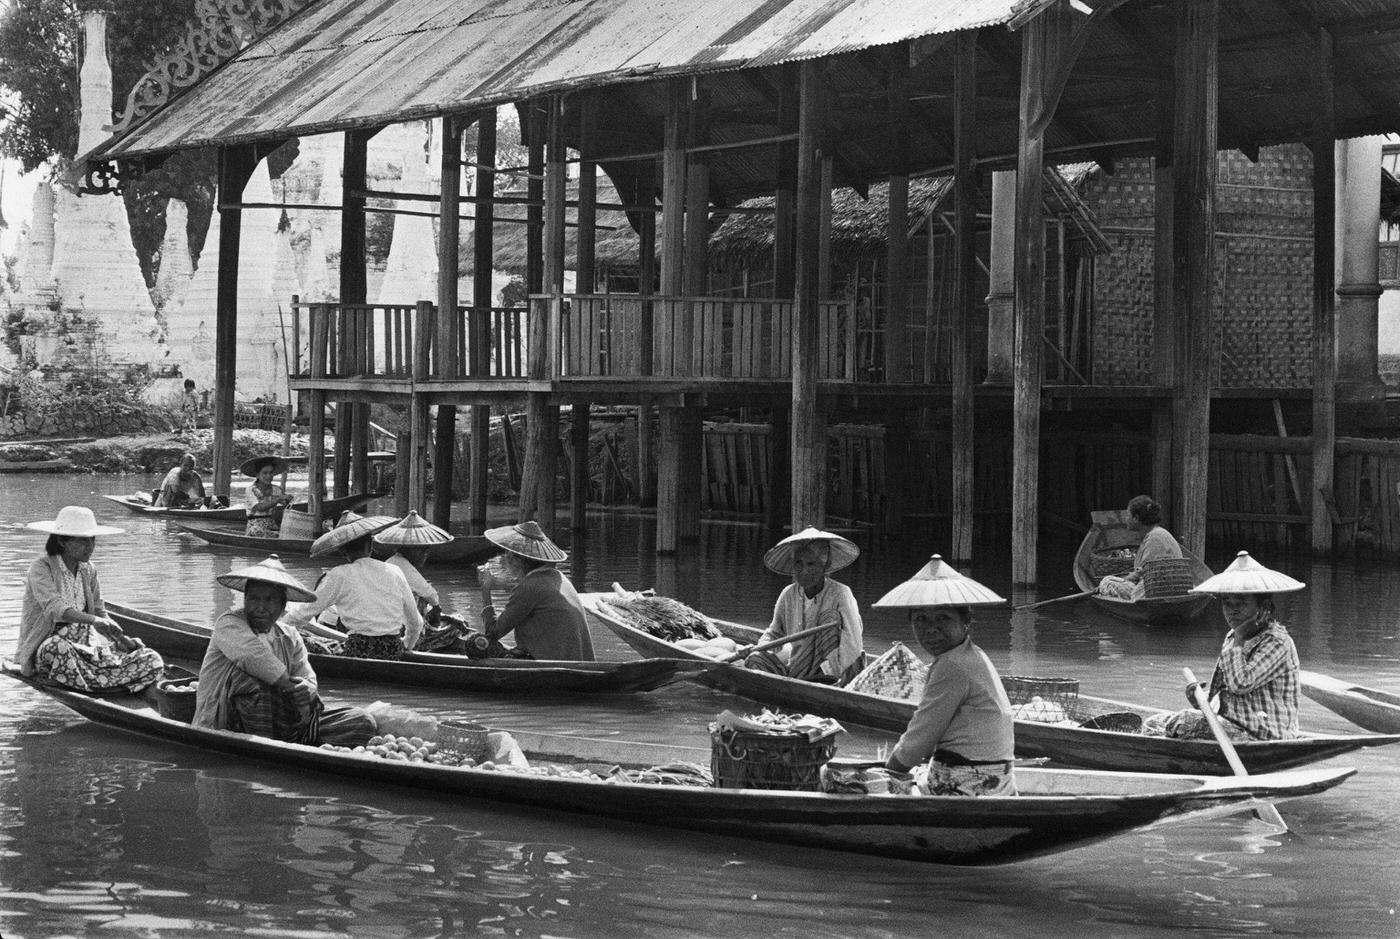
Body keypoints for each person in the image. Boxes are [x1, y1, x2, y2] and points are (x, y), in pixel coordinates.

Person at [194, 555, 375, 747]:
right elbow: (252, 657)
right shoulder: (229, 623)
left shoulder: (290, 636)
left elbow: (307, 677)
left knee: (361, 721)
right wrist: (289, 686)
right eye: (253, 599)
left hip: (284, 721)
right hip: (226, 722)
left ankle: (288, 744)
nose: (261, 608)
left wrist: (307, 689)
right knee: (250, 678)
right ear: (245, 600)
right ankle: (272, 748)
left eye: (270, 600)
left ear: (282, 607)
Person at [875, 555, 1016, 797]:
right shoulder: (971, 655)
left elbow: (919, 739)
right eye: (921, 619)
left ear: (966, 621)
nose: (931, 628)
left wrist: (888, 772)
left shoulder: (951, 666)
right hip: (996, 780)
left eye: (943, 618)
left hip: (969, 783)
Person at [1147, 550, 1304, 741]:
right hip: (1236, 724)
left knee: (1182, 721)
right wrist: (1199, 700)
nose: (1232, 611)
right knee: (1154, 722)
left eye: (1241, 603)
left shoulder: (1277, 642)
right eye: (1227, 603)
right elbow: (1225, 693)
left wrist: (1238, 641)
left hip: (1268, 732)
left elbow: (1240, 684)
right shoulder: (1233, 636)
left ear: (1264, 608)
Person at [16, 506, 165, 691]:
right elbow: (55, 608)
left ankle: (93, 682)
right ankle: (102, 682)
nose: (91, 547)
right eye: (84, 541)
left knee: (152, 659)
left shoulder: (88, 569)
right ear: (63, 541)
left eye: (92, 540)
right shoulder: (42, 567)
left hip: (87, 647)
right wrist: (94, 620)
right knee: (58, 648)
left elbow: (99, 609)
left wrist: (123, 639)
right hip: (52, 647)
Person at [283, 512, 422, 660]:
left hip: (357, 650)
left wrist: (276, 629)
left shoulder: (339, 574)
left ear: (343, 551)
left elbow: (303, 614)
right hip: (393, 650)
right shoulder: (395, 571)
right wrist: (406, 646)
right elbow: (416, 623)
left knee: (303, 638)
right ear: (370, 546)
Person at [744, 527, 864, 684]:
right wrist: (757, 648)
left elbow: (853, 642)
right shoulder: (788, 594)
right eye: (798, 564)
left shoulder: (840, 593)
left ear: (824, 566)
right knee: (755, 659)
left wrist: (838, 675)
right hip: (798, 670)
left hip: (835, 671)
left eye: (811, 564)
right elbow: (774, 633)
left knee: (830, 617)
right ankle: (794, 684)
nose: (804, 571)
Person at [478, 521, 594, 661]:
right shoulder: (558, 576)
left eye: (507, 554)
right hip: (576, 660)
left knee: (476, 644)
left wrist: (485, 588)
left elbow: (492, 633)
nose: (504, 558)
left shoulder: (529, 586)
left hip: (556, 665)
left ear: (516, 560)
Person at [1096, 495, 1183, 600]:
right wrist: (1127, 579)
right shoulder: (1156, 533)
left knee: (1106, 582)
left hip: (1157, 592)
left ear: (1136, 518)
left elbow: (1148, 572)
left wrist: (1127, 583)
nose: (1126, 519)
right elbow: (1144, 569)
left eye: (1128, 515)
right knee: (1111, 580)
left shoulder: (1155, 537)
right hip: (1161, 587)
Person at [373, 510, 449, 623]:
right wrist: (437, 608)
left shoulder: (392, 561)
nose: (425, 555)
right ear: (409, 550)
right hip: (391, 620)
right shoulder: (401, 566)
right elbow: (430, 594)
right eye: (422, 551)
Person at [242, 455, 293, 536]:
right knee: (258, 531)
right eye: (265, 473)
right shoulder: (251, 490)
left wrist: (288, 499)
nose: (269, 476)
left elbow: (285, 504)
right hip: (255, 526)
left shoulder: (276, 489)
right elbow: (260, 508)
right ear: (257, 475)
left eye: (271, 472)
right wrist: (278, 498)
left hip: (272, 524)